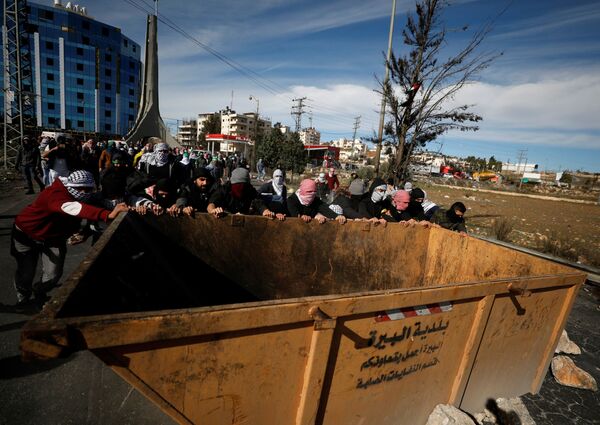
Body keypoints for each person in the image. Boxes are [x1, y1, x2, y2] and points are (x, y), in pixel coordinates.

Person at [10, 170, 128, 307]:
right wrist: (107, 215)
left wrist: (83, 233)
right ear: (71, 186)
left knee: (53, 274)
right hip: (26, 234)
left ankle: (39, 291)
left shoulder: (81, 196)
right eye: (80, 188)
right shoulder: (55, 194)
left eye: (88, 189)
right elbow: (73, 208)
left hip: (53, 238)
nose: (84, 192)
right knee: (26, 271)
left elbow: (84, 212)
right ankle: (23, 299)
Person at [207, 167, 274, 219]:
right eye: (237, 185)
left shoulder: (250, 190)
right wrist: (213, 210)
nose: (240, 188)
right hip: (224, 220)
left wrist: (265, 211)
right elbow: (212, 203)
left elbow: (258, 202)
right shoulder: (224, 189)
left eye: (243, 185)